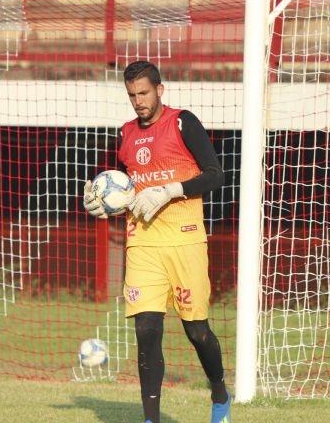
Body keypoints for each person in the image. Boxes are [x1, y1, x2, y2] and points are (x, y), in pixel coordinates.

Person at [83, 60, 231, 423]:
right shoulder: (126, 133)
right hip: (143, 242)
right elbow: (130, 191)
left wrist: (171, 190)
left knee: (196, 331)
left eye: (144, 93)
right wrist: (106, 204)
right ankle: (151, 420)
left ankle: (220, 395)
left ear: (160, 90)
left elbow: (215, 176)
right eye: (132, 95)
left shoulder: (183, 122)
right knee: (146, 330)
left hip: (185, 241)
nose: (138, 101)